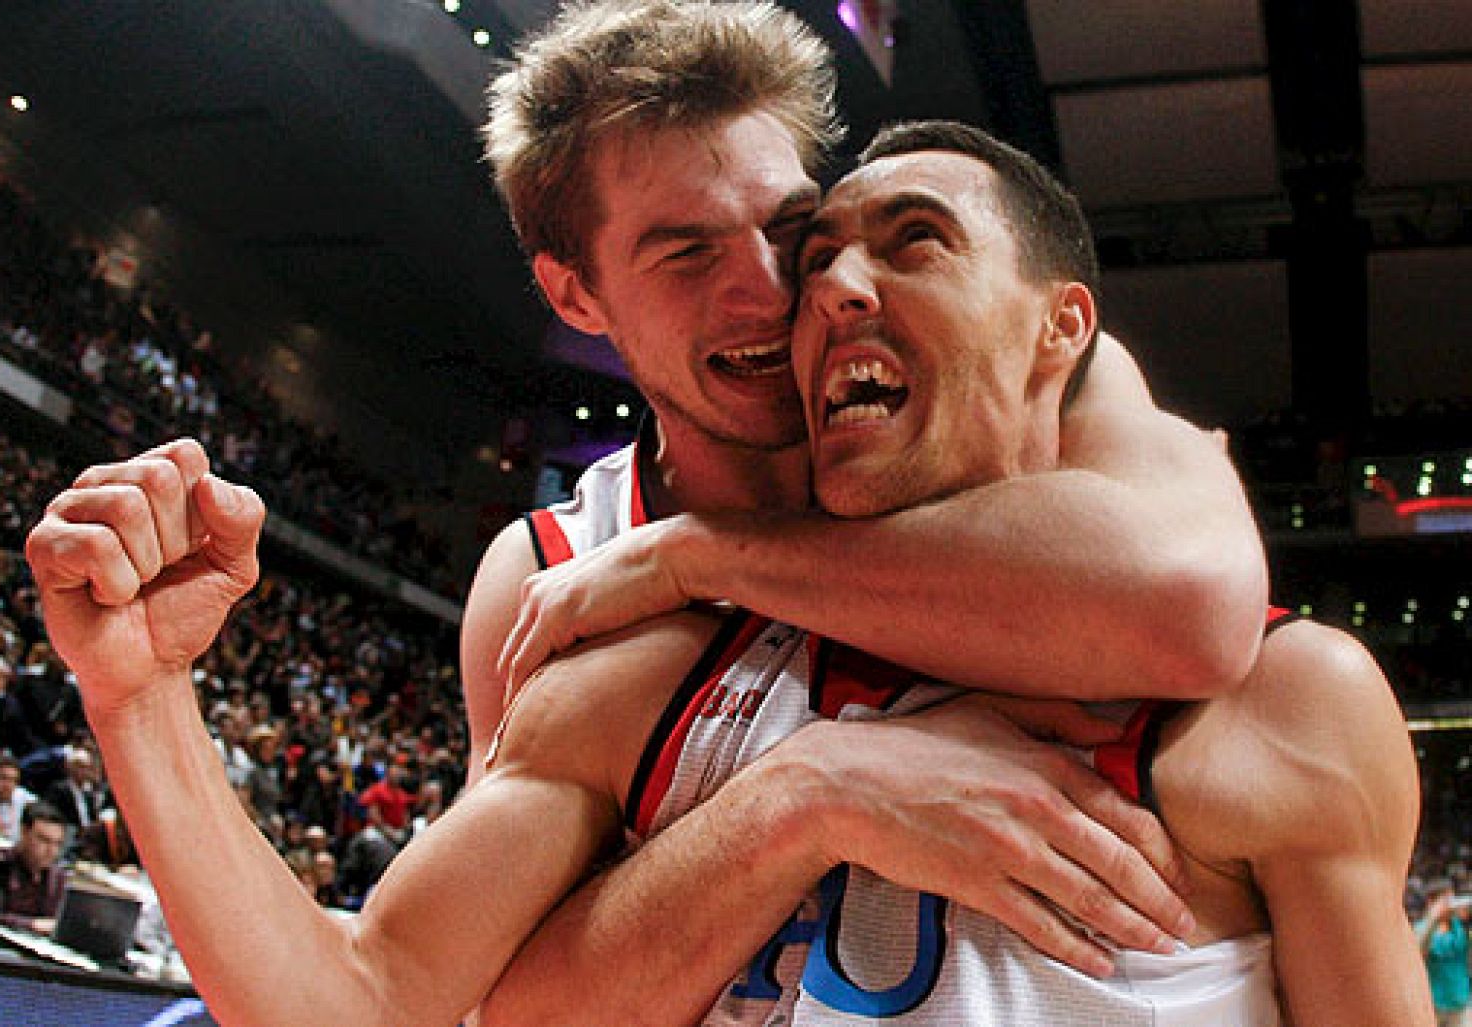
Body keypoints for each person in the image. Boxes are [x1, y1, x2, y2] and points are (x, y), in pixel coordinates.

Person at [24, 1, 1269, 1021]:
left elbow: (1196, 608)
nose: (770, 289)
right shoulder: (559, 575)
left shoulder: (1028, 382)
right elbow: (390, 1003)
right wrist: (138, 700)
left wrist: (706, 556)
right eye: (684, 252)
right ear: (575, 293)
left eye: (790, 226)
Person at [481, 119, 1432, 1024]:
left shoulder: (1285, 694)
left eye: (917, 242)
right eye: (819, 257)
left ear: (1062, 332)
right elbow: (489, 1005)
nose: (817, 289)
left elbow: (1190, 599)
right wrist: (806, 795)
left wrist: (697, 554)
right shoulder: (630, 628)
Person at [0, 801, 68, 935]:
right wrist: (31, 924)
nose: (52, 851)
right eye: (44, 840)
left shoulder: (57, 877)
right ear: (24, 832)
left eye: (57, 844)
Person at [1418, 879, 1472, 1026]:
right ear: (1431, 902)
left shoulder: (1460, 928)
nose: (1451, 906)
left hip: (1460, 1001)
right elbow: (1419, 953)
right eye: (1446, 901)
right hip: (1433, 1004)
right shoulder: (1420, 928)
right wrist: (1433, 919)